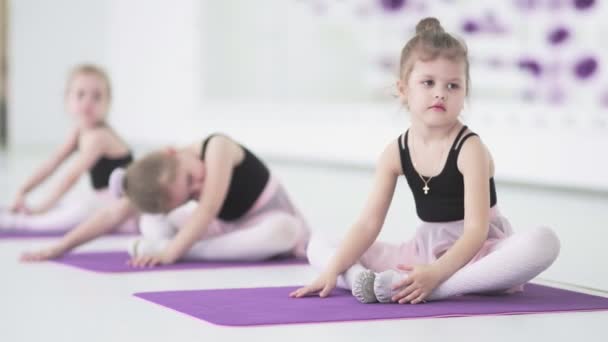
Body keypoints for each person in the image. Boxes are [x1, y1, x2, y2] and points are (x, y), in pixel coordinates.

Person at [290, 17, 560, 304]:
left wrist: (435, 274)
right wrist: (332, 270)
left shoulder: (470, 149)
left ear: (464, 92)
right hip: (424, 250)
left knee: (543, 242)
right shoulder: (395, 152)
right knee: (320, 244)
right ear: (404, 89)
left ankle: (439, 288)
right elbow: (368, 224)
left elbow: (475, 231)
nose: (440, 92)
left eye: (453, 85)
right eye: (428, 82)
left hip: (479, 253)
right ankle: (359, 281)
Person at [22, 133, 309, 265]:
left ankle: (186, 249)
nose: (199, 184)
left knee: (285, 230)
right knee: (149, 214)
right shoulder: (180, 178)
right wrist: (59, 247)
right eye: (189, 194)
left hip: (269, 220)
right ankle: (171, 243)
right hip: (228, 229)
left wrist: (170, 253)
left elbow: (207, 209)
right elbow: (111, 215)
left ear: (174, 152)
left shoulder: (217, 147)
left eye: (189, 178)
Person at [1, 64, 135, 233]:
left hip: (124, 210)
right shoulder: (80, 131)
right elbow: (52, 163)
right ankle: (24, 214)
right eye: (80, 95)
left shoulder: (99, 137)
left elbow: (70, 177)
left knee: (77, 210)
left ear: (108, 104)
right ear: (67, 100)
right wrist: (23, 190)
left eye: (97, 96)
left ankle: (17, 222)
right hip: (105, 201)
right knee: (72, 203)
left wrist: (41, 209)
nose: (88, 102)